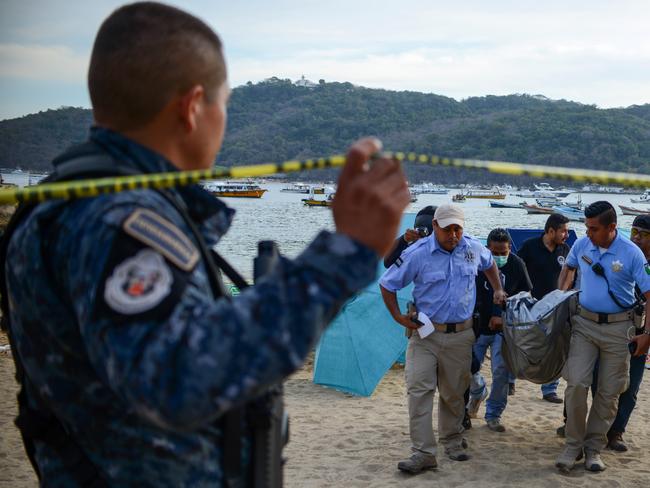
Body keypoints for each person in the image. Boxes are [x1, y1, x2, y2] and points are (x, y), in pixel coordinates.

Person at [1, 3, 410, 486]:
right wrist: (346, 252)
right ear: (193, 107)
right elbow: (177, 377)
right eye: (225, 104)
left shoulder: (74, 199)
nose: (224, 119)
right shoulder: (118, 219)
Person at [379, 204, 507, 474]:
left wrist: (497, 289)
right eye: (446, 228)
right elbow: (388, 283)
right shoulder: (417, 253)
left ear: (463, 227)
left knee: (453, 393)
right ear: (435, 226)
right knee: (419, 391)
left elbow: (490, 263)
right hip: (425, 335)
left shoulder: (473, 248)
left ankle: (451, 440)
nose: (453, 234)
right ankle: (423, 452)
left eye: (457, 228)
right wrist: (397, 318)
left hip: (461, 335)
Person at [555, 201, 650, 473]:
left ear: (611, 228)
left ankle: (593, 448)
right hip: (584, 325)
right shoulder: (582, 245)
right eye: (586, 227)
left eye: (594, 229)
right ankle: (572, 445)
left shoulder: (632, 253)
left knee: (609, 393)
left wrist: (647, 335)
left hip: (620, 330)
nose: (588, 233)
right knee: (576, 385)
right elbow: (568, 268)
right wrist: (560, 296)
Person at [467, 228, 533, 432]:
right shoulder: (476, 263)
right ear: (487, 248)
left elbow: (526, 295)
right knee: (466, 370)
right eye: (495, 252)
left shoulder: (517, 264)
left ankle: (493, 414)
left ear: (510, 248)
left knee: (501, 373)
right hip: (477, 327)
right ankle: (477, 393)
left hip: (504, 329)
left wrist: (504, 316)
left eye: (503, 252)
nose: (500, 256)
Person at [603, 214, 650, 451]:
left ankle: (617, 432)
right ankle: (573, 422)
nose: (637, 238)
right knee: (595, 381)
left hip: (641, 335)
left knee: (631, 388)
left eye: (644, 235)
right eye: (634, 233)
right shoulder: (622, 256)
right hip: (610, 330)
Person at [517, 213, 571, 404]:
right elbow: (516, 267)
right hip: (531, 305)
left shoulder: (565, 249)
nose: (566, 234)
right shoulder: (530, 246)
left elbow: (571, 274)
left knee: (556, 347)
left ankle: (550, 389)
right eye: (563, 231)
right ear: (550, 230)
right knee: (525, 344)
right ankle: (512, 378)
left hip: (556, 307)